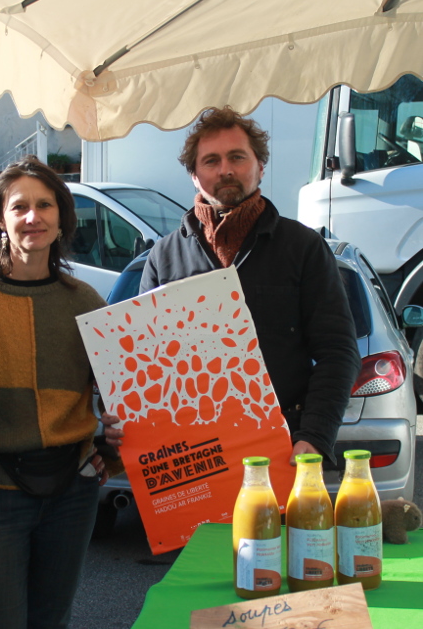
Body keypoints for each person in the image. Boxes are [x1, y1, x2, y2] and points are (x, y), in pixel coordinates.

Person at [104, 106, 360, 465]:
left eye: (237, 157)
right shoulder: (163, 257)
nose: (225, 169)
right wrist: (125, 421)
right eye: (210, 161)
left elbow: (339, 352)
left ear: (260, 166)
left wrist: (314, 437)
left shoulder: (302, 247)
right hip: (194, 456)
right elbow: (147, 368)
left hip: (283, 449)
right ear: (194, 175)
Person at [0, 157, 117, 629]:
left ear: (62, 217)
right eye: (19, 206)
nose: (33, 217)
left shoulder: (86, 300)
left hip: (73, 490)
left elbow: (121, 395)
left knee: (52, 621)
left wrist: (107, 448)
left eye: (45, 205)